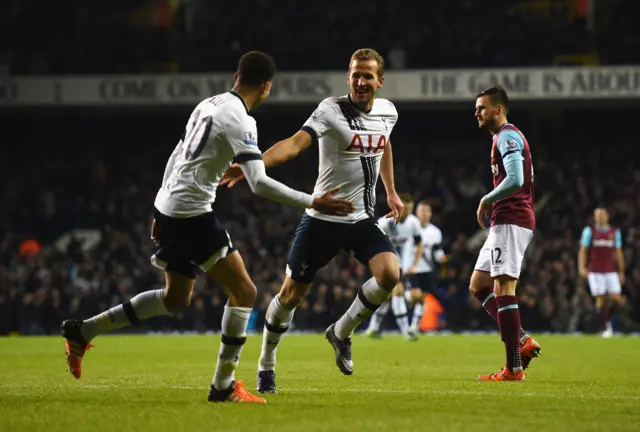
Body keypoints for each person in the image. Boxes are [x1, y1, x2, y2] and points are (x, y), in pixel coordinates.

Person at [60, 51, 354, 404]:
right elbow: (258, 183)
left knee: (175, 299)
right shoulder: (242, 120)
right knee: (245, 292)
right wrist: (313, 201)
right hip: (192, 214)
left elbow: (177, 154)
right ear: (266, 87)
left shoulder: (208, 103)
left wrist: (159, 205)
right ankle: (224, 385)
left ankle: (82, 331)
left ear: (236, 75)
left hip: (171, 208)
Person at [221, 48, 403, 394]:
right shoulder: (330, 109)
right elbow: (293, 144)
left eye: (367, 75)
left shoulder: (388, 112)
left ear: (380, 81)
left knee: (390, 274)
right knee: (290, 296)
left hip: (361, 217)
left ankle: (341, 332)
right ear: (348, 77)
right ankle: (266, 363)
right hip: (323, 217)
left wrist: (391, 191)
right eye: (355, 74)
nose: (361, 81)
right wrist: (253, 165)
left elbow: (385, 145)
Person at [470, 86, 541, 382]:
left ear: (498, 109)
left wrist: (487, 198)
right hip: (504, 221)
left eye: (482, 107)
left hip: (511, 219)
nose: (477, 113)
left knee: (504, 290)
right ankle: (522, 339)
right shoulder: (502, 137)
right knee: (479, 284)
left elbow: (516, 178)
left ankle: (514, 368)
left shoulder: (508, 136)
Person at [364, 194, 423, 340]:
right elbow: (371, 243)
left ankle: (373, 328)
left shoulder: (413, 223)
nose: (408, 212)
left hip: (405, 266)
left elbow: (419, 243)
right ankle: (406, 332)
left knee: (389, 297)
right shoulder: (384, 223)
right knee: (397, 292)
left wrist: (415, 264)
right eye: (406, 208)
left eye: (410, 209)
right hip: (387, 265)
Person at [578, 207, 625, 337]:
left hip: (610, 270)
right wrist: (582, 267)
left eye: (602, 215)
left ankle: (607, 321)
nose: (600, 217)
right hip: (595, 270)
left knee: (616, 298)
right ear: (594, 217)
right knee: (600, 298)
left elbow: (619, 252)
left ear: (607, 216)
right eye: (597, 215)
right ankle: (605, 327)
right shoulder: (589, 231)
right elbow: (583, 250)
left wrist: (621, 271)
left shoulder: (614, 232)